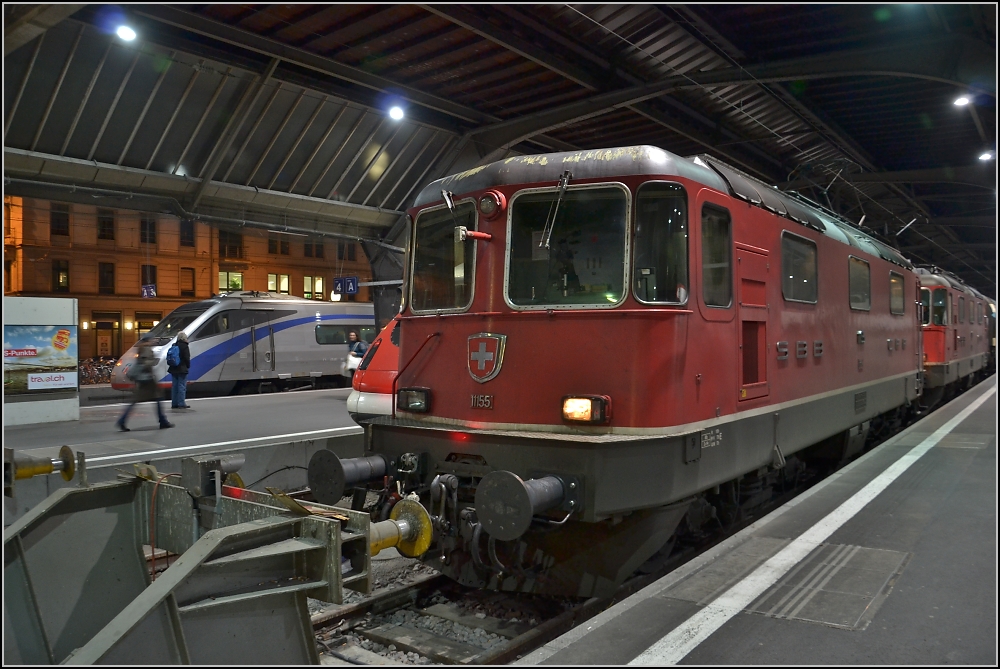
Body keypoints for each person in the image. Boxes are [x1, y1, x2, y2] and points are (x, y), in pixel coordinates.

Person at [117, 345, 173, 431]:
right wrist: (153, 361)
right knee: (158, 398)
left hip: (144, 381)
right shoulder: (146, 348)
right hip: (147, 381)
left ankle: (122, 420)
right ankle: (163, 421)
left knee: (136, 401)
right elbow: (146, 363)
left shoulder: (142, 347)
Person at [168, 332, 191, 409]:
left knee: (175, 386)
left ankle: (174, 403)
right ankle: (181, 403)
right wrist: (188, 366)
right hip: (182, 368)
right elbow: (187, 358)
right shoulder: (185, 346)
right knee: (182, 386)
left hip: (173, 368)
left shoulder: (174, 345)